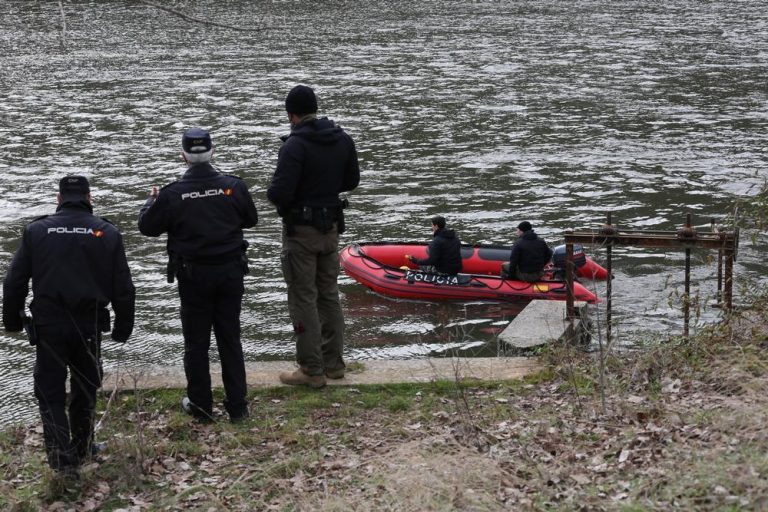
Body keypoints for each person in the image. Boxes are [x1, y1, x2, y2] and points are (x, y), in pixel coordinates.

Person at [2, 176, 135, 480]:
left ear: (58, 198)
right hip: (88, 324)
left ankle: (64, 465)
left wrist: (12, 321)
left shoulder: (37, 230)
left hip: (49, 325)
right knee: (85, 389)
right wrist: (123, 327)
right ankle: (82, 447)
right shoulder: (107, 232)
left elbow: (14, 283)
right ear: (90, 197)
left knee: (49, 394)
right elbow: (124, 287)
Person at [138, 128, 258, 423]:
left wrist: (150, 202)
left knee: (196, 342)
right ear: (212, 152)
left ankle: (202, 406)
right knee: (230, 337)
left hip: (194, 277)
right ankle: (238, 408)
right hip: (230, 272)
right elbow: (252, 220)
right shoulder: (233, 186)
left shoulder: (172, 193)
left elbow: (147, 227)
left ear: (183, 156)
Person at [267, 84, 360, 389]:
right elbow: (352, 180)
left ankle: (311, 369)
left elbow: (278, 193)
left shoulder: (294, 146)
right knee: (329, 295)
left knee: (302, 297)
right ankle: (334, 364)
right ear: (315, 109)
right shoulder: (341, 138)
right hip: (330, 229)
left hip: (301, 232)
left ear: (291, 115)